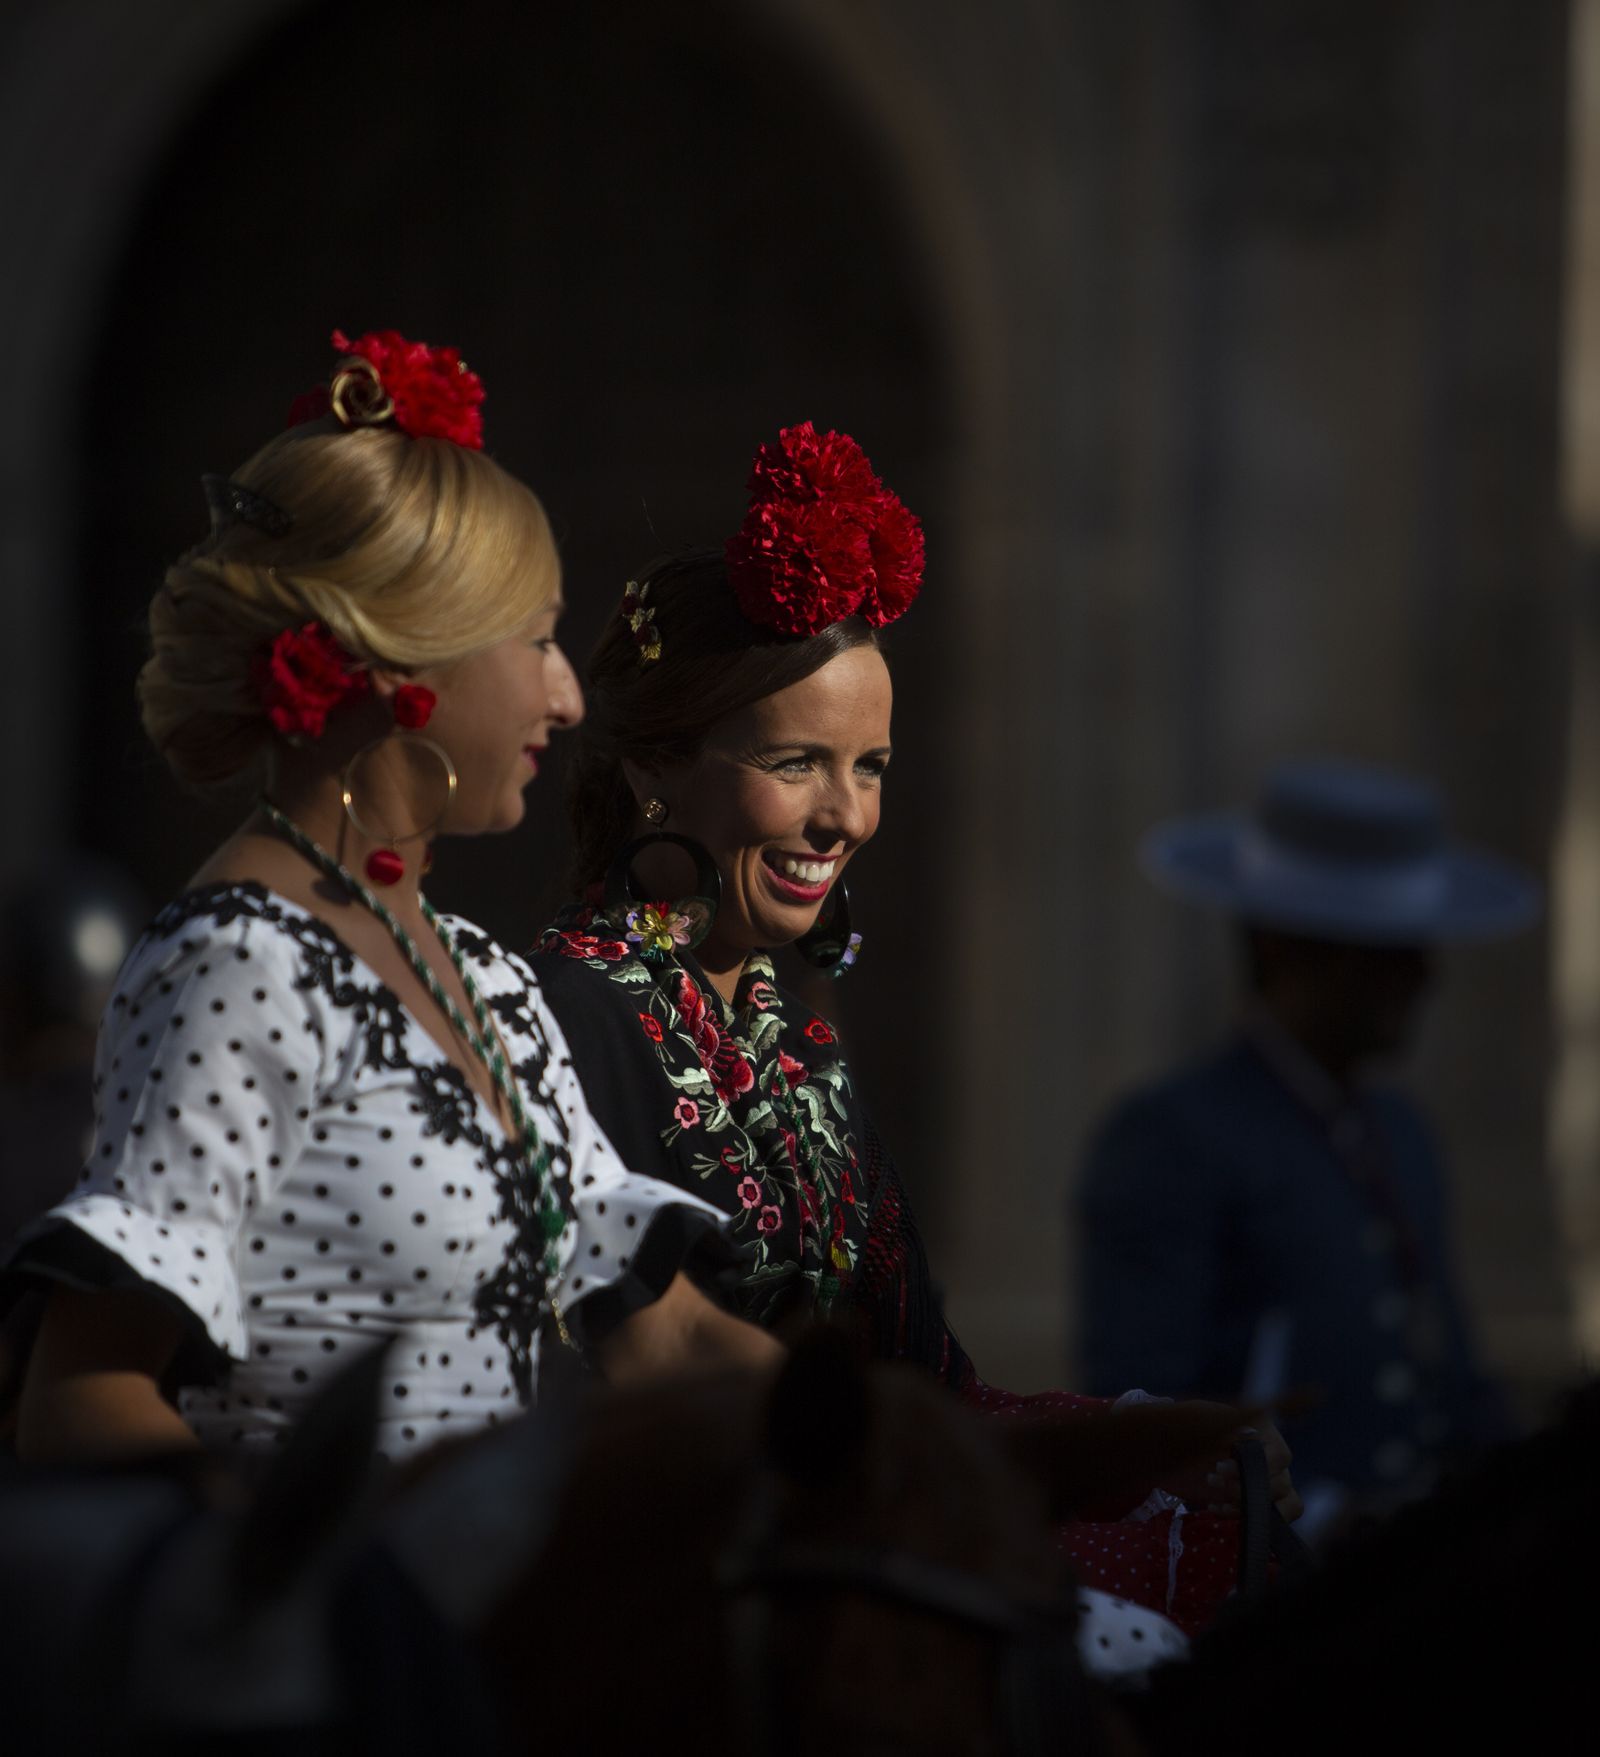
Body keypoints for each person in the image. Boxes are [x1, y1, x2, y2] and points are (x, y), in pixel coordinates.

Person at [531, 421, 1297, 1635]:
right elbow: (643, 1369)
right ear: (654, 770)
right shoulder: (564, 1011)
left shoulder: (799, 1046)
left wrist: (1155, 1444)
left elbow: (930, 1385)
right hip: (702, 1610)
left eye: (871, 765)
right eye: (797, 762)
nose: (843, 816)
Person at [4, 328, 771, 1474]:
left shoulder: (487, 979)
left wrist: (916, 1441)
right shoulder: (236, 966)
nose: (566, 697)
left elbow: (668, 1330)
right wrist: (321, 1578)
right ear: (404, 665)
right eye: (539, 638)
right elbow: (83, 1396)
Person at [1075, 760, 1532, 1533]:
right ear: (1285, 947)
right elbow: (1143, 1409)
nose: (1421, 976)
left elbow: (1450, 1378)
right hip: (1272, 1597)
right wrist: (1316, 1517)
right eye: (1380, 951)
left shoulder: (1403, 1132)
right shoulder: (1172, 1134)